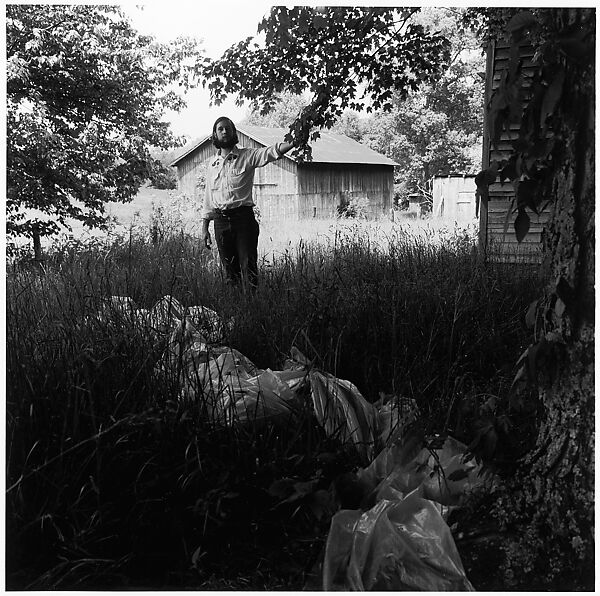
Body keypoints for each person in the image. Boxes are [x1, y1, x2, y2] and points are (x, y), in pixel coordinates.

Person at [201, 117, 296, 290]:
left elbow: (271, 152)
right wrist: (204, 228)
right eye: (220, 129)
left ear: (233, 132)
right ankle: (237, 311)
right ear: (214, 134)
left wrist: (295, 140)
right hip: (220, 223)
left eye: (228, 128)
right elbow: (208, 197)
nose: (224, 131)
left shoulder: (247, 156)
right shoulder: (212, 164)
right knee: (230, 272)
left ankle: (253, 309)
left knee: (249, 269)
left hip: (243, 221)